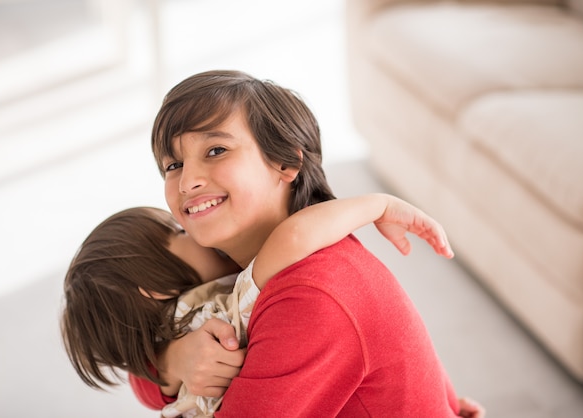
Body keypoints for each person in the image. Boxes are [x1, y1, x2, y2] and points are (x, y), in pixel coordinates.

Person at [131, 69, 485, 417]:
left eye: (216, 150)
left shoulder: (310, 293)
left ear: (285, 163)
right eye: (173, 164)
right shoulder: (231, 260)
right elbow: (125, 346)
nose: (187, 181)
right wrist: (173, 361)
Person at [61, 192, 457, 418]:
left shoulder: (152, 345)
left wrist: (170, 362)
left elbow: (140, 373)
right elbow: (294, 237)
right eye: (178, 231)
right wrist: (379, 206)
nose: (193, 227)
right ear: (150, 290)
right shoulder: (218, 310)